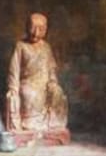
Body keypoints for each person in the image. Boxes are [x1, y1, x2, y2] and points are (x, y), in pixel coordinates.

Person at [6, 12, 70, 140]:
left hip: (45, 84)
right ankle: (29, 125)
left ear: (45, 30)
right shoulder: (21, 46)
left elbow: (51, 68)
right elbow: (14, 70)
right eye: (33, 27)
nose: (36, 32)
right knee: (28, 94)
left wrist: (53, 81)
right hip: (28, 84)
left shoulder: (46, 47)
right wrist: (13, 89)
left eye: (40, 29)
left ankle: (53, 125)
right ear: (26, 27)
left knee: (57, 92)